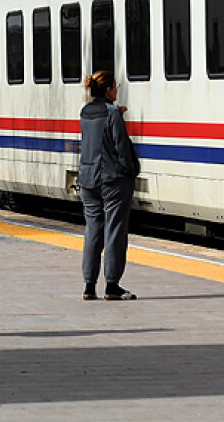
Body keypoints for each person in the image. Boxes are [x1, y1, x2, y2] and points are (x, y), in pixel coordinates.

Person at [78, 70, 141, 301]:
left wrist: (117, 114)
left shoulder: (85, 112)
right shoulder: (112, 113)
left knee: (93, 231)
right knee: (115, 230)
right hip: (112, 180)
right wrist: (131, 171)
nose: (117, 90)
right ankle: (112, 285)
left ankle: (89, 285)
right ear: (108, 90)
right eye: (115, 86)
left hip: (87, 179)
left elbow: (97, 135)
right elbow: (120, 147)